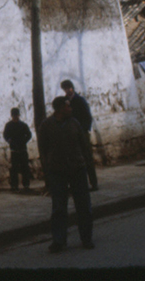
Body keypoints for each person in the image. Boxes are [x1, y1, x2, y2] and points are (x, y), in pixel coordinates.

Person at [38, 95, 94, 253]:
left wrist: (86, 164)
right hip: (57, 171)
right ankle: (59, 240)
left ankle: (86, 238)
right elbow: (43, 148)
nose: (71, 109)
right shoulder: (47, 125)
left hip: (77, 169)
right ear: (60, 109)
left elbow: (84, 146)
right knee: (59, 208)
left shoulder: (74, 123)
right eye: (68, 106)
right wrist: (48, 168)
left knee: (83, 206)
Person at [60, 79, 98, 190]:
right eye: (65, 89)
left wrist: (84, 130)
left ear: (72, 88)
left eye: (68, 88)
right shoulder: (64, 102)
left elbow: (87, 116)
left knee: (87, 158)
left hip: (82, 133)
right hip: (70, 134)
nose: (67, 91)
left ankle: (93, 183)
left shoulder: (80, 100)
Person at [3, 107, 32, 192]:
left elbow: (29, 135)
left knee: (25, 168)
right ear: (11, 116)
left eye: (16, 115)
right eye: (14, 116)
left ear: (19, 116)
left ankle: (26, 184)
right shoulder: (8, 126)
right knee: (14, 169)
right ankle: (14, 185)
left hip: (22, 149)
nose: (15, 117)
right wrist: (9, 141)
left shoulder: (23, 125)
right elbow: (5, 135)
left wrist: (24, 141)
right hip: (14, 150)